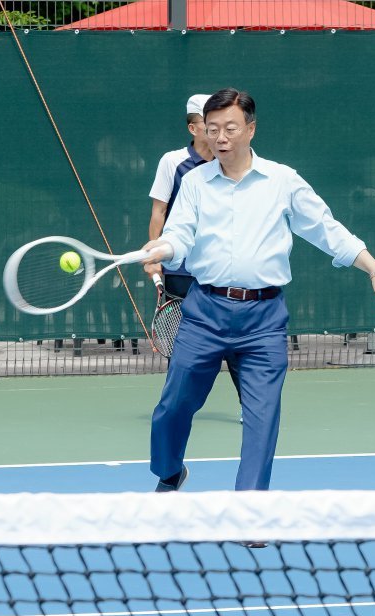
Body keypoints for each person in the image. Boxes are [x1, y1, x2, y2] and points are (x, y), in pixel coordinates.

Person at [142, 89, 375, 492]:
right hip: (204, 312)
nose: (221, 138)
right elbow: (179, 234)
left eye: (230, 128)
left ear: (250, 129)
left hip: (263, 321)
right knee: (173, 408)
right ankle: (169, 470)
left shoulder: (283, 181)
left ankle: (250, 508)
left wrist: (373, 268)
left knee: (262, 416)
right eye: (213, 130)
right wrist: (165, 247)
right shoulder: (193, 182)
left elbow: (326, 229)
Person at [148, 93, 242, 410]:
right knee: (181, 343)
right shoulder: (172, 163)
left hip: (220, 270)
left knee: (235, 343)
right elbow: (159, 212)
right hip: (180, 270)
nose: (219, 133)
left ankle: (249, 404)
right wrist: (155, 258)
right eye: (210, 125)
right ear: (193, 127)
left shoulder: (231, 164)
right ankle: (174, 407)